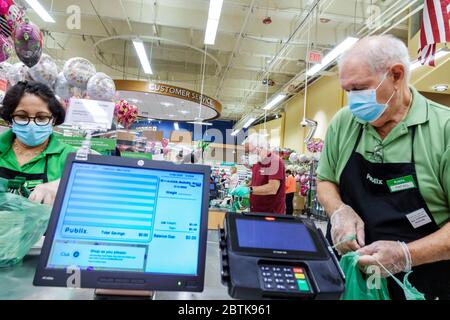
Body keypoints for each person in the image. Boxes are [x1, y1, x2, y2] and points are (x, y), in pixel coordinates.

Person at [316, 35, 450, 300]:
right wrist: (338, 210)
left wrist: (406, 255)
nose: (353, 100)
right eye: (347, 91)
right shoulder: (345, 122)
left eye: (360, 88)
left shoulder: (443, 130)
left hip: (421, 286)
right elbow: (325, 180)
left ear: (397, 75)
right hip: (349, 282)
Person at [0, 81, 75, 205]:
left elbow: (96, 181)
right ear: (10, 118)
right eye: (22, 116)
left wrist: (64, 185)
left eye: (41, 118)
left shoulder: (68, 155)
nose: (31, 124)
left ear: (53, 119)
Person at [231, 133, 286, 214]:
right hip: (256, 211)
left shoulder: (275, 162)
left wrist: (248, 190)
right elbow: (256, 181)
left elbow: (273, 188)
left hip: (271, 213)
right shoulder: (257, 162)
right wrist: (243, 187)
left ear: (260, 148)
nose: (249, 155)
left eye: (251, 151)